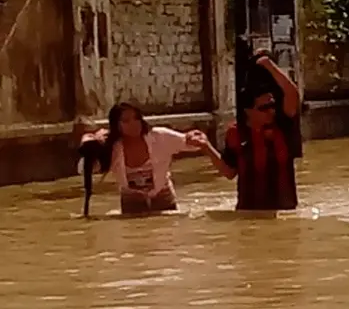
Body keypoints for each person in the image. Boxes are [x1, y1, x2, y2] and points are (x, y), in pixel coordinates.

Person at [78, 102, 222, 216]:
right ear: (116, 125)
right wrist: (91, 146)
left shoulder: (160, 136)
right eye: (126, 121)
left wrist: (195, 137)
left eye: (136, 118)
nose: (134, 124)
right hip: (131, 199)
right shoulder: (111, 148)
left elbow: (191, 143)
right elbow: (83, 169)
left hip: (162, 195)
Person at [212, 51, 303, 211]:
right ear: (248, 111)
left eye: (272, 106)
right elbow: (229, 172)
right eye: (264, 108)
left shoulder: (283, 125)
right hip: (248, 213)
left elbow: (292, 95)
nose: (271, 111)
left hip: (284, 212)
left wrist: (269, 64)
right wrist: (205, 147)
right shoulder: (236, 133)